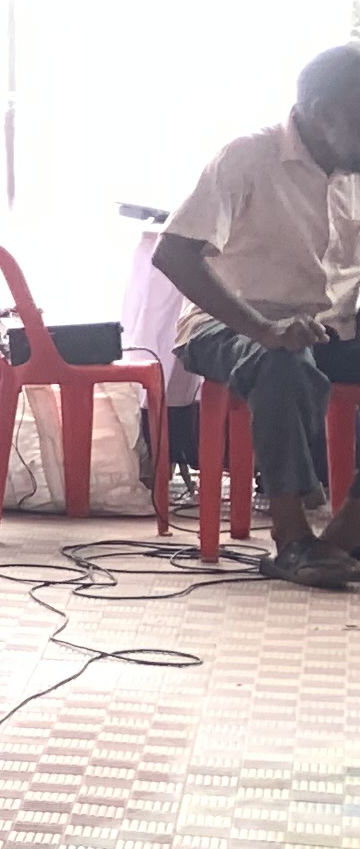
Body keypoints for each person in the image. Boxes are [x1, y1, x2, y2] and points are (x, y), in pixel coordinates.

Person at [150, 43, 360, 588]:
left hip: (331, 324)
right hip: (234, 321)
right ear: (325, 114)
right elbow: (173, 254)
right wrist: (263, 329)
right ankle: (292, 538)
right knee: (282, 363)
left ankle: (344, 535)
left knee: (298, 354)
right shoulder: (248, 157)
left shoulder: (354, 167)